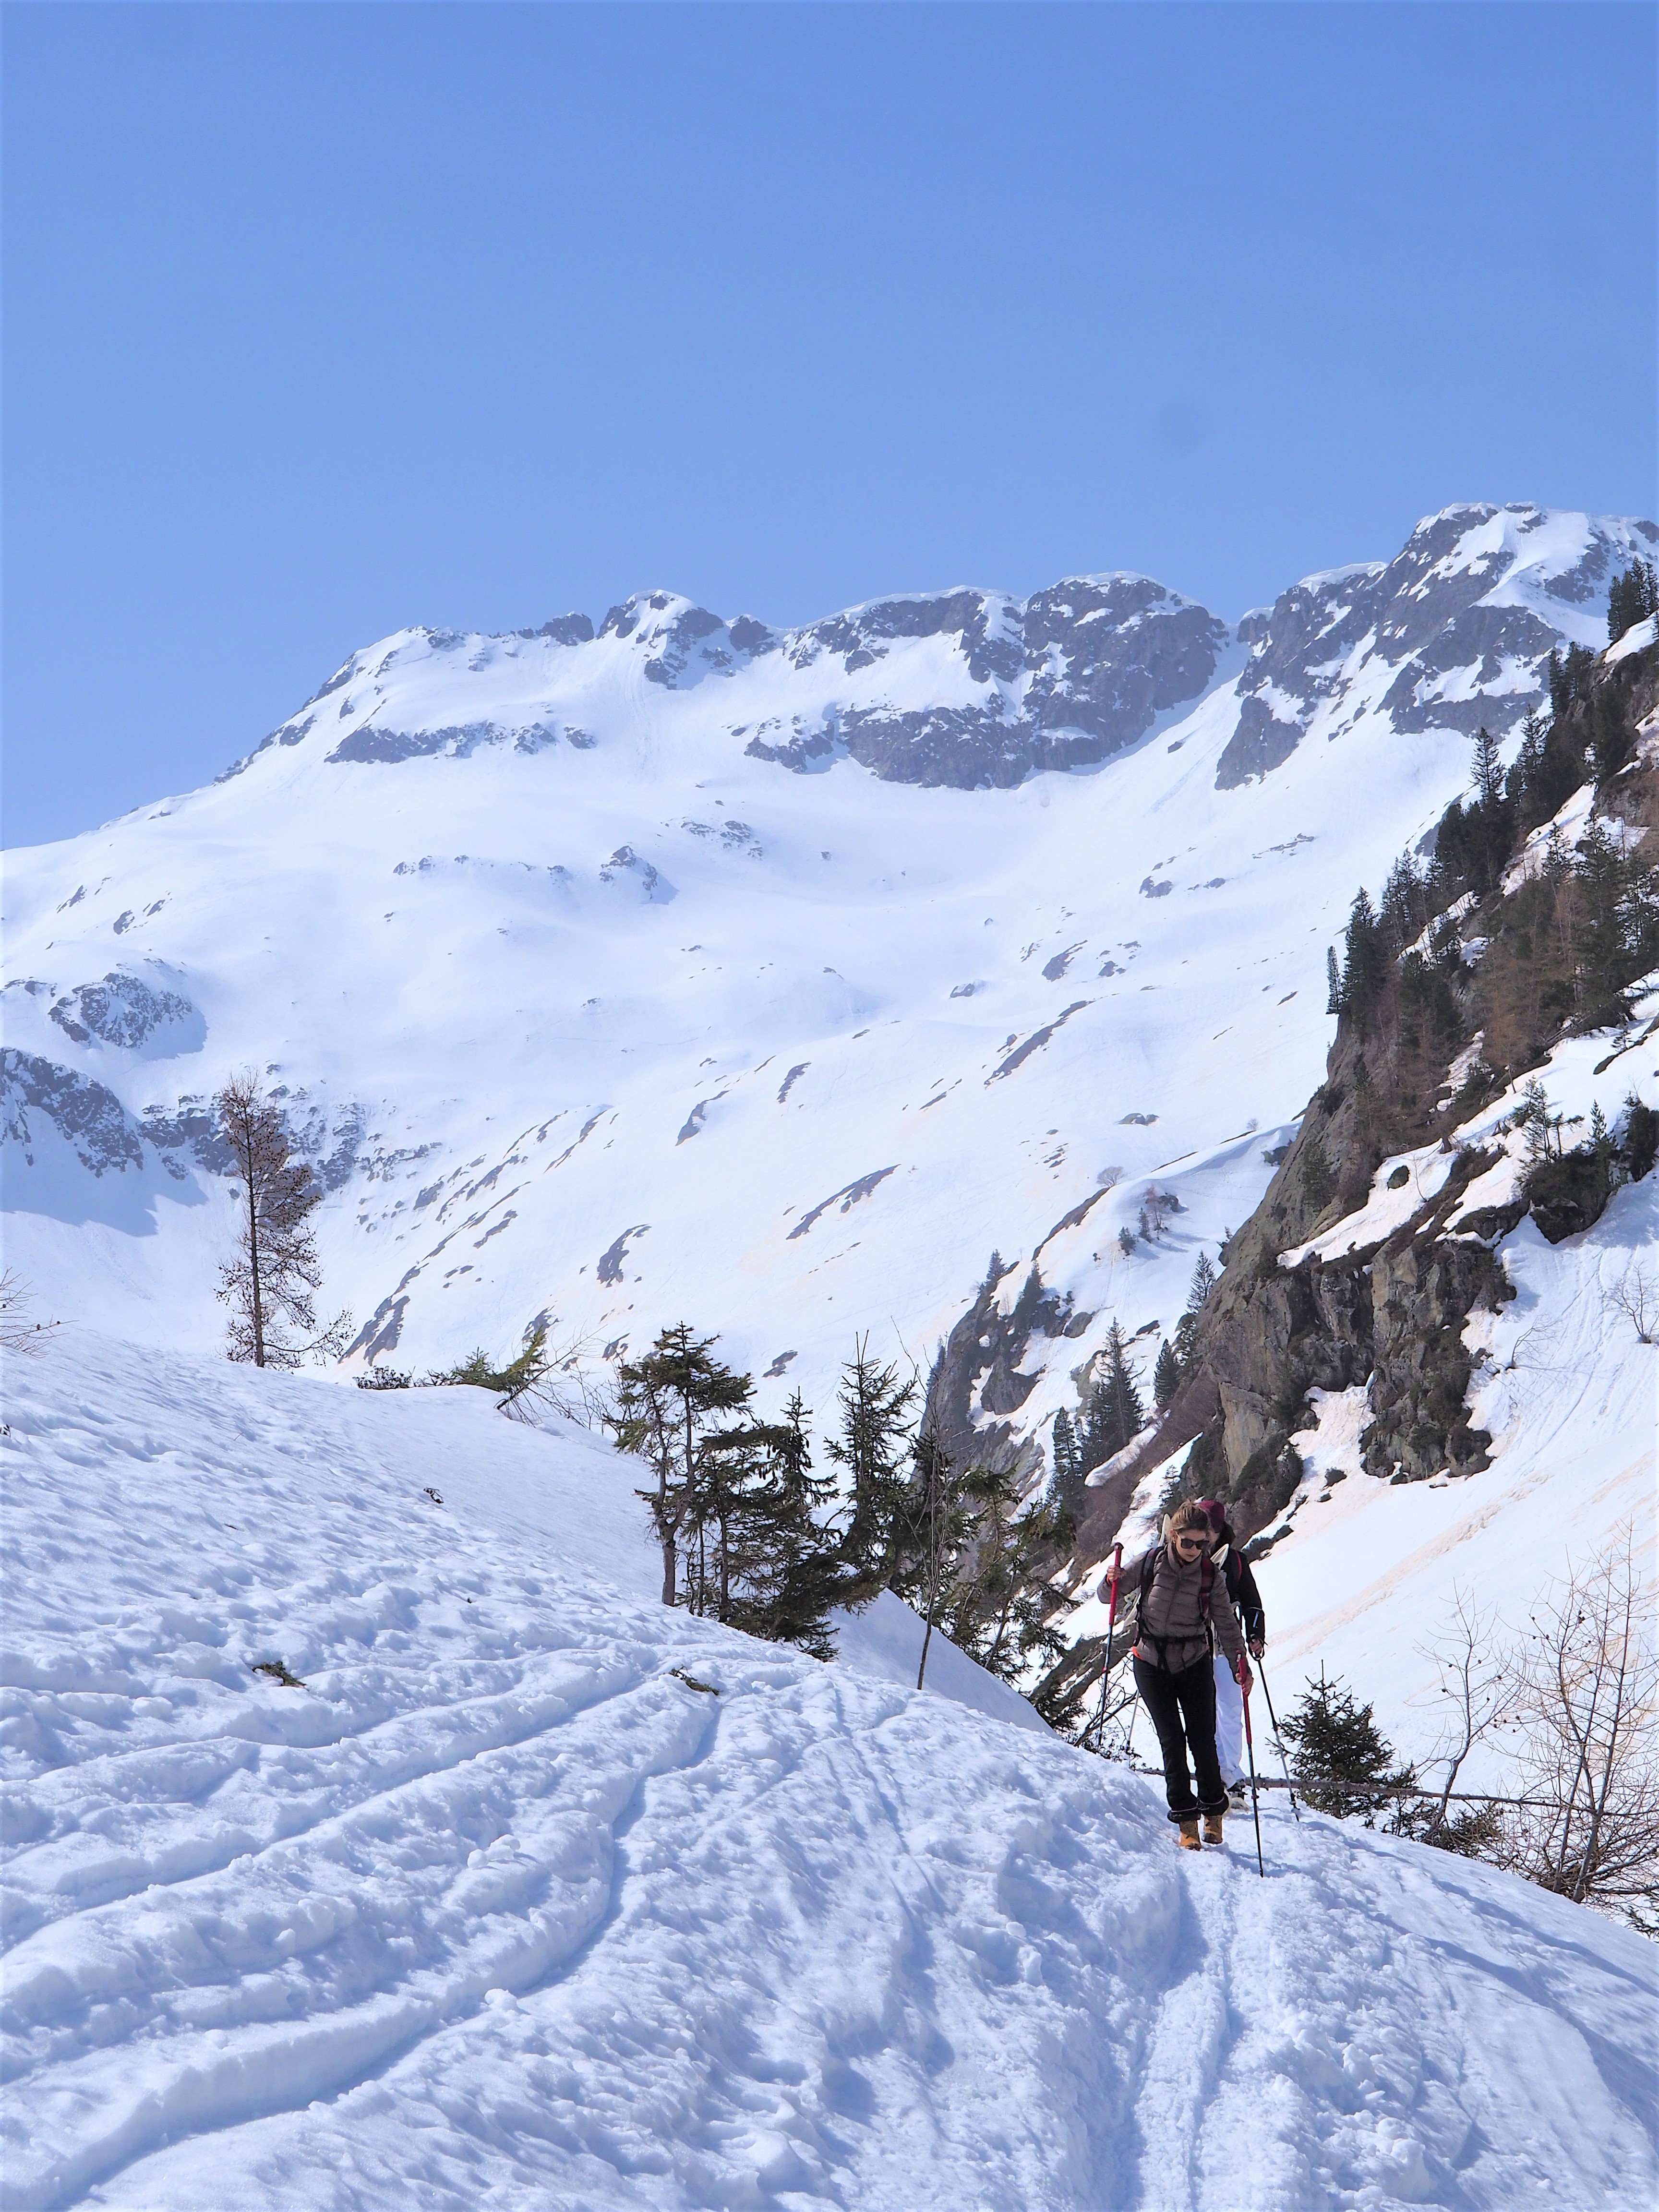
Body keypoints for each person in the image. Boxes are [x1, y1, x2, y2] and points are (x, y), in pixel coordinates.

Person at [1111, 1497, 1251, 1850]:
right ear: (1173, 1536)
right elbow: (1109, 1594)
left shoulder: (1210, 1576)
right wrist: (1110, 1580)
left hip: (1194, 1661)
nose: (1193, 1549)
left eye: (1201, 1543)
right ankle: (1186, 1821)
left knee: (1202, 1740)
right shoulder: (1150, 1563)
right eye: (1186, 1542)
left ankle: (1214, 1814)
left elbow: (1226, 1624)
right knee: (1171, 1741)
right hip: (1149, 1660)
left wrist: (1240, 1662)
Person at [1196, 1498, 1266, 1807]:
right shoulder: (1188, 1556)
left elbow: (1252, 1602)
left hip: (1226, 1647)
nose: (1205, 1533)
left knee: (1229, 1710)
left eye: (1209, 1527)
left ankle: (1231, 1775)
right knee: (1207, 1711)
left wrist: (1255, 1636)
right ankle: (1221, 1775)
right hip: (1196, 1645)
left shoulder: (1236, 1562)